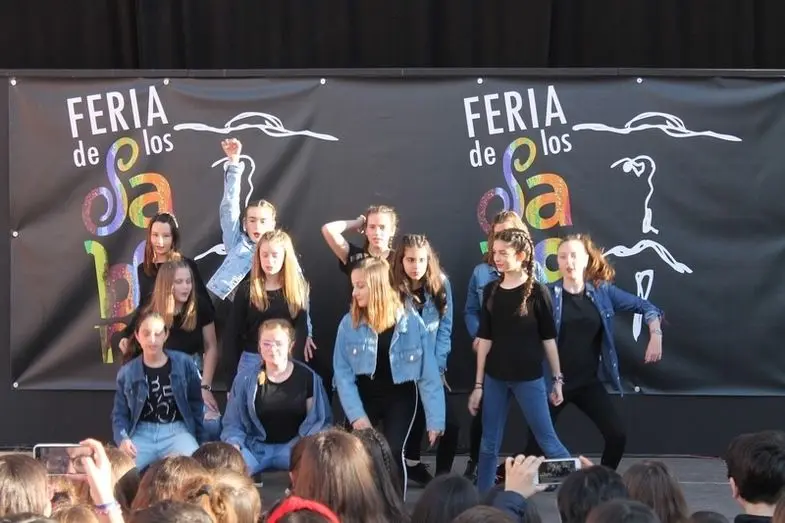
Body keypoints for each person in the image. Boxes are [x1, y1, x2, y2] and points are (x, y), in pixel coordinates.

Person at [523, 234, 663, 470]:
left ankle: (602, 479)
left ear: (586, 259)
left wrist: (656, 334)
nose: (569, 262)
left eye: (574, 256)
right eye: (562, 256)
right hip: (553, 383)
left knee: (617, 435)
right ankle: (512, 480)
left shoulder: (601, 292)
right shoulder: (548, 295)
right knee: (534, 448)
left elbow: (646, 306)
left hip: (587, 382)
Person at [468, 228, 570, 493]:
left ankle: (582, 489)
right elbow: (485, 339)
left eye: (504, 253)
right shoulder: (491, 290)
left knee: (549, 442)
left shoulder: (538, 292)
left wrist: (557, 380)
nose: (497, 258)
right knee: (488, 445)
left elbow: (549, 340)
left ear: (521, 255)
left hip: (528, 379)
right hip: (495, 379)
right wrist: (478, 386)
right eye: (495, 252)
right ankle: (483, 503)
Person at [333, 257, 445, 497]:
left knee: (393, 453)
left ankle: (395, 510)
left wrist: (435, 419)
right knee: (356, 454)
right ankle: (358, 508)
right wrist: (357, 415)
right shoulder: (348, 323)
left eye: (360, 286)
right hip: (364, 396)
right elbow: (342, 374)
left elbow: (428, 372)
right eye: (353, 286)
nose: (354, 292)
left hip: (401, 396)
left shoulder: (411, 321)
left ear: (377, 287)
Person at [463, 210, 547, 481]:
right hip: (493, 363)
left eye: (510, 234)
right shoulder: (482, 275)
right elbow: (471, 311)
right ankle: (480, 478)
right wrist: (479, 335)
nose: (502, 240)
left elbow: (546, 321)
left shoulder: (536, 275)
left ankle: (568, 482)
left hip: (526, 364)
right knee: (487, 433)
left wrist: (555, 374)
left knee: (545, 434)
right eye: (498, 235)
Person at [119, 260, 221, 440]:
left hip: (192, 374)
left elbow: (211, 347)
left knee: (211, 425)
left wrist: (205, 387)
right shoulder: (150, 310)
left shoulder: (200, 306)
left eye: (188, 281)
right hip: (158, 377)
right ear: (166, 285)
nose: (186, 287)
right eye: (179, 282)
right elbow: (132, 340)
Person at [221, 319, 332, 474]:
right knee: (229, 471)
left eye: (278, 344)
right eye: (266, 344)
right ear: (259, 346)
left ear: (290, 346)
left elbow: (319, 421)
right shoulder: (244, 380)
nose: (272, 349)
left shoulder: (308, 378)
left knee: (317, 469)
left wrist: (308, 448)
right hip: (255, 448)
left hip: (293, 447)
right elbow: (233, 423)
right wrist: (234, 446)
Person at [391, 233, 460, 483]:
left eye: (421, 260)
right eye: (410, 260)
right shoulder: (391, 286)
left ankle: (442, 481)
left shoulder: (440, 284)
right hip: (401, 368)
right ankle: (408, 468)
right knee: (407, 423)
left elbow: (445, 328)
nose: (416, 266)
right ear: (401, 260)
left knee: (450, 424)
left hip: (430, 367)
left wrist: (439, 368)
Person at [111, 311, 204, 470]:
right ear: (137, 336)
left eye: (157, 333)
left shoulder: (184, 364)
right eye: (146, 334)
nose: (152, 339)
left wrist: (200, 439)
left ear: (165, 335)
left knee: (194, 469)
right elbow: (119, 414)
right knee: (119, 472)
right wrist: (123, 439)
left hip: (177, 431)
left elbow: (197, 405)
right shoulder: (127, 373)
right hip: (142, 433)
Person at [223, 229, 316, 386]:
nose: (269, 261)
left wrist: (295, 368)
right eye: (264, 255)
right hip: (252, 359)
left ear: (285, 257)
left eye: (275, 255)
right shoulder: (248, 290)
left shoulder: (297, 289)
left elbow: (300, 332)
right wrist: (230, 381)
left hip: (286, 360)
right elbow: (232, 333)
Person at [207, 138, 278, 302]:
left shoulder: (282, 250)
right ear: (245, 224)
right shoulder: (236, 244)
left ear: (272, 225)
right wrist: (233, 162)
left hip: (273, 312)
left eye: (263, 221)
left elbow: (298, 292)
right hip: (242, 312)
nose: (257, 225)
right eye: (252, 220)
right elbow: (229, 208)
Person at [136, 212, 211, 308]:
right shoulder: (143, 269)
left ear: (173, 238)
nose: (160, 242)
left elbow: (204, 306)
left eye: (166, 236)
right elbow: (144, 306)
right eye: (155, 235)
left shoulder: (187, 266)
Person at [321, 204, 398, 278]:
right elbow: (328, 229)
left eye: (382, 227)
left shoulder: (399, 259)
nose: (377, 232)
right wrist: (358, 222)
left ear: (392, 230)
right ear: (366, 229)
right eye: (372, 227)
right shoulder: (354, 256)